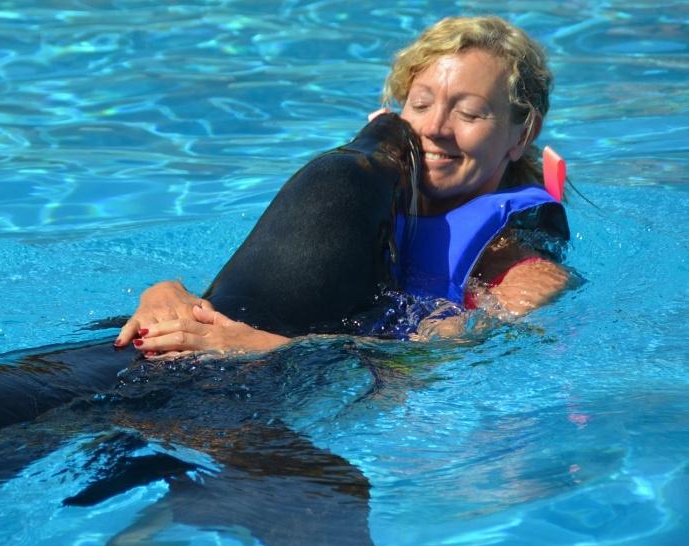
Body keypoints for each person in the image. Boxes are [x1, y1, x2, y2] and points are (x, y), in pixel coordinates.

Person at [113, 16, 571, 355]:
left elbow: (430, 370)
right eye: (421, 103)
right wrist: (167, 295)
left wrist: (264, 350)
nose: (434, 128)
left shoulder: (522, 274)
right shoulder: (355, 212)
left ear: (522, 135)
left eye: (469, 113)